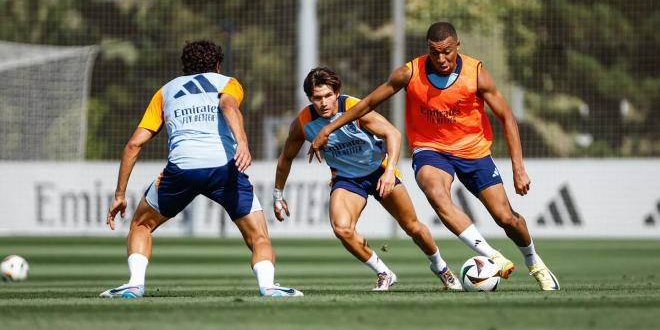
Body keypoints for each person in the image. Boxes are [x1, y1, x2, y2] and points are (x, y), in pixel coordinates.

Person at [308, 22, 560, 291]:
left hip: (474, 151)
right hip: (431, 150)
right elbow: (367, 103)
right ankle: (493, 256)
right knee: (436, 193)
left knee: (506, 218)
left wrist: (518, 168)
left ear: (457, 46)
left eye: (447, 52)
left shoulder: (476, 73)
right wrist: (329, 129)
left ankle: (535, 263)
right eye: (434, 52)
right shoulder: (409, 72)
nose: (441, 58)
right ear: (428, 49)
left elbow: (507, 117)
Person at [101, 40, 303, 298]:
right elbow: (228, 105)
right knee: (259, 237)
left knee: (141, 225)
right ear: (218, 65)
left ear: (185, 67)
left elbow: (133, 144)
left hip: (182, 169)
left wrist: (120, 195)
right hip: (225, 169)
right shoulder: (229, 82)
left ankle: (134, 284)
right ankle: (269, 287)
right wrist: (242, 142)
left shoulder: (165, 91)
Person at [273, 67, 462, 291]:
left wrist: (390, 170)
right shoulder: (304, 123)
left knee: (413, 227)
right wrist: (278, 194)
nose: (323, 102)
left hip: (378, 171)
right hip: (347, 180)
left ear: (336, 93)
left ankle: (441, 267)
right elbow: (286, 158)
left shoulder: (354, 108)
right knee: (342, 228)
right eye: (317, 98)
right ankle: (384, 272)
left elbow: (393, 134)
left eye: (327, 96)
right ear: (309, 98)